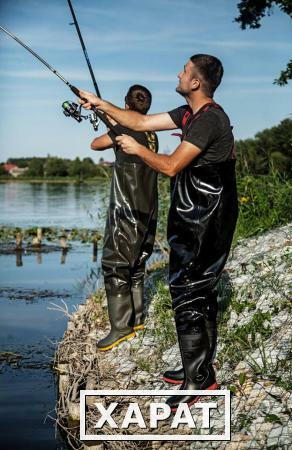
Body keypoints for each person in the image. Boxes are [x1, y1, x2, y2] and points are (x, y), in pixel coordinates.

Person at [78, 54, 238, 410]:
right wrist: (99, 103)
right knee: (191, 287)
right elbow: (140, 119)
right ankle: (196, 367)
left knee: (189, 288)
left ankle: (198, 381)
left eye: (184, 71)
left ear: (196, 83)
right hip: (193, 211)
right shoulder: (188, 114)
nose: (179, 74)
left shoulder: (209, 120)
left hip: (207, 215)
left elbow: (170, 166)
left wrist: (135, 148)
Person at [90, 85, 159, 351]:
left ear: (126, 105)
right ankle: (137, 319)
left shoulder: (124, 129)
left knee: (115, 263)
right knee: (138, 261)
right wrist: (114, 121)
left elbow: (95, 144)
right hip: (147, 207)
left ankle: (120, 328)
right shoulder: (151, 133)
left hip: (126, 207)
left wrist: (113, 124)